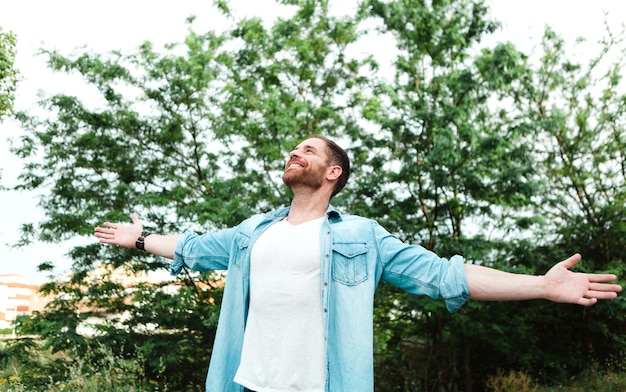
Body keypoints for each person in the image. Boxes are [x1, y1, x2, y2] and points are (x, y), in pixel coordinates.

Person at [94, 134, 622, 392]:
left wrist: (541, 285)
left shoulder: (362, 237)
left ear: (333, 172)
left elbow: (444, 276)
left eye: (307, 150)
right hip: (245, 383)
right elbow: (191, 247)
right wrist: (140, 239)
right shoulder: (252, 232)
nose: (294, 155)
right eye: (292, 151)